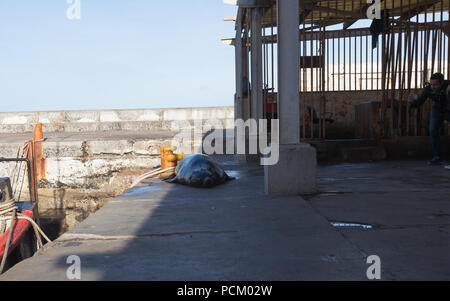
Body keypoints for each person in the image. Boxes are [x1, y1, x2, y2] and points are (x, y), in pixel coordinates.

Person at [408, 73, 450, 165]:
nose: (433, 87)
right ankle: (438, 157)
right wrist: (413, 102)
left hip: (448, 109)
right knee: (432, 130)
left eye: (435, 84)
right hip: (438, 109)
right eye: (431, 84)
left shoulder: (448, 87)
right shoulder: (428, 89)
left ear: (442, 83)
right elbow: (420, 102)